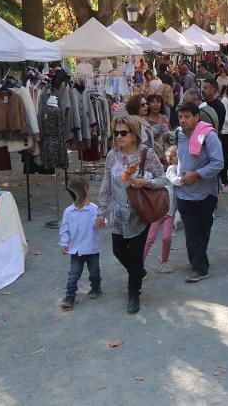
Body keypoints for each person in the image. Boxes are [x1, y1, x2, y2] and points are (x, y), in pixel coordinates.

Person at [97, 115, 167, 314]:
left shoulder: (147, 154)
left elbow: (163, 179)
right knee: (118, 251)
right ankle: (138, 273)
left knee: (135, 256)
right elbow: (106, 184)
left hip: (140, 213)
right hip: (118, 213)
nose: (118, 136)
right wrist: (101, 210)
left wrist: (147, 182)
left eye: (123, 133)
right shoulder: (112, 156)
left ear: (134, 135)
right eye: (116, 133)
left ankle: (133, 293)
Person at [174, 101, 224, 283]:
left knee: (203, 230)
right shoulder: (179, 134)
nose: (183, 120)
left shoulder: (208, 136)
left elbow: (218, 163)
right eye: (180, 117)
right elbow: (180, 157)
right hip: (183, 192)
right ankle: (200, 268)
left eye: (187, 117)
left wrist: (196, 175)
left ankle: (199, 259)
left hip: (205, 193)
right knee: (191, 231)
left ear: (196, 117)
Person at [59, 178, 103, 310]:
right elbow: (64, 228)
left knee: (94, 272)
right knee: (73, 274)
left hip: (91, 248)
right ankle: (69, 297)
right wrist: (64, 242)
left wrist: (101, 222)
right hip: (75, 250)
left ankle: (96, 287)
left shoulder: (94, 209)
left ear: (88, 192)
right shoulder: (68, 211)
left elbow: (103, 220)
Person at [144, 146, 180, 275]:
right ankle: (139, 263)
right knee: (150, 238)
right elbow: (175, 180)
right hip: (158, 212)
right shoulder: (170, 170)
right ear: (170, 158)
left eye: (179, 155)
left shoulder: (180, 169)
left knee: (166, 238)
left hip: (169, 213)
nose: (178, 157)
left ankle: (164, 262)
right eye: (175, 155)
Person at [146, 94, 171, 160]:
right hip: (152, 153)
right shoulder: (145, 120)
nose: (156, 105)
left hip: (166, 151)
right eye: (153, 102)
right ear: (148, 104)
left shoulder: (164, 118)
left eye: (158, 102)